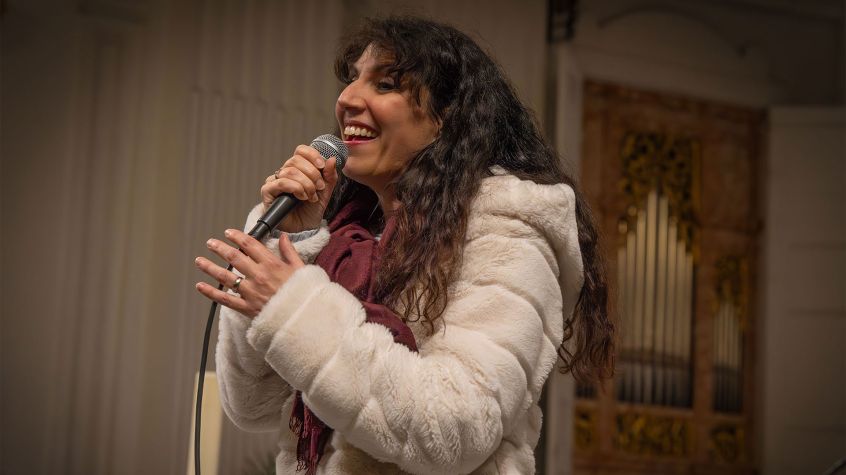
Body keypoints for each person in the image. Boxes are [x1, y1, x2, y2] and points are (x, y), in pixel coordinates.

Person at [195, 16, 614, 475]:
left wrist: (295, 309)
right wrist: (291, 242)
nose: (347, 98)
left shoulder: (507, 232)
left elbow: (456, 429)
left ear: (447, 118)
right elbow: (251, 405)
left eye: (385, 84)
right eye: (352, 78)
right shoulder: (344, 234)